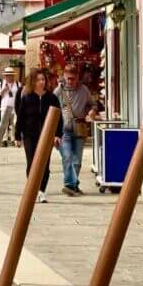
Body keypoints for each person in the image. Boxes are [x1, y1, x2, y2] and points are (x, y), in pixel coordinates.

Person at [15, 68, 59, 203]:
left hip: (47, 135)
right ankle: (32, 190)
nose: (41, 82)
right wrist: (17, 136)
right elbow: (20, 117)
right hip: (29, 135)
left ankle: (41, 191)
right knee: (31, 163)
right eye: (38, 80)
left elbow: (59, 118)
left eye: (43, 80)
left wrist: (57, 134)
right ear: (33, 82)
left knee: (45, 164)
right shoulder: (27, 97)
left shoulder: (52, 98)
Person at [53, 63, 95, 196]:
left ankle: (74, 184)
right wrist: (54, 134)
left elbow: (92, 104)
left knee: (77, 161)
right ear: (64, 76)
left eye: (73, 78)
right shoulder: (59, 91)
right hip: (63, 130)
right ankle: (69, 185)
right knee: (67, 157)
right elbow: (52, 110)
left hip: (79, 129)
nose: (70, 81)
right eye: (68, 78)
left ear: (77, 77)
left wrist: (92, 111)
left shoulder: (84, 90)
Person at [0, 65, 20, 146]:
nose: (9, 76)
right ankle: (4, 140)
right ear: (5, 76)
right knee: (3, 124)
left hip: (15, 107)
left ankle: (13, 139)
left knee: (14, 124)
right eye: (7, 75)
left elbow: (21, 95)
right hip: (4, 107)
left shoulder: (18, 84)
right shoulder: (1, 84)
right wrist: (3, 90)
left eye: (10, 75)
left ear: (13, 75)